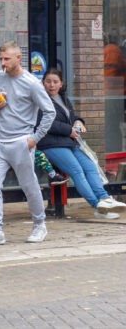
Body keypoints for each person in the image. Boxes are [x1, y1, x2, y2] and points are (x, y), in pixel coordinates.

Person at [0, 40, 55, 247]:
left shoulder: (31, 83)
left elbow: (50, 112)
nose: (3, 62)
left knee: (28, 184)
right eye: (1, 58)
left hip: (21, 140)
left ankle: (39, 224)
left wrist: (34, 139)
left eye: (7, 58)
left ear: (18, 57)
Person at [37, 67, 126, 218]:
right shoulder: (39, 100)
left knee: (90, 166)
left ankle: (104, 199)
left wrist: (79, 121)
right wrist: (68, 130)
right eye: (48, 82)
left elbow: (71, 117)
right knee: (77, 171)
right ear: (43, 83)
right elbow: (44, 122)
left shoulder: (63, 98)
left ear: (61, 84)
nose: (51, 85)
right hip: (50, 143)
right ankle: (97, 206)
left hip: (69, 142)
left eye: (55, 82)